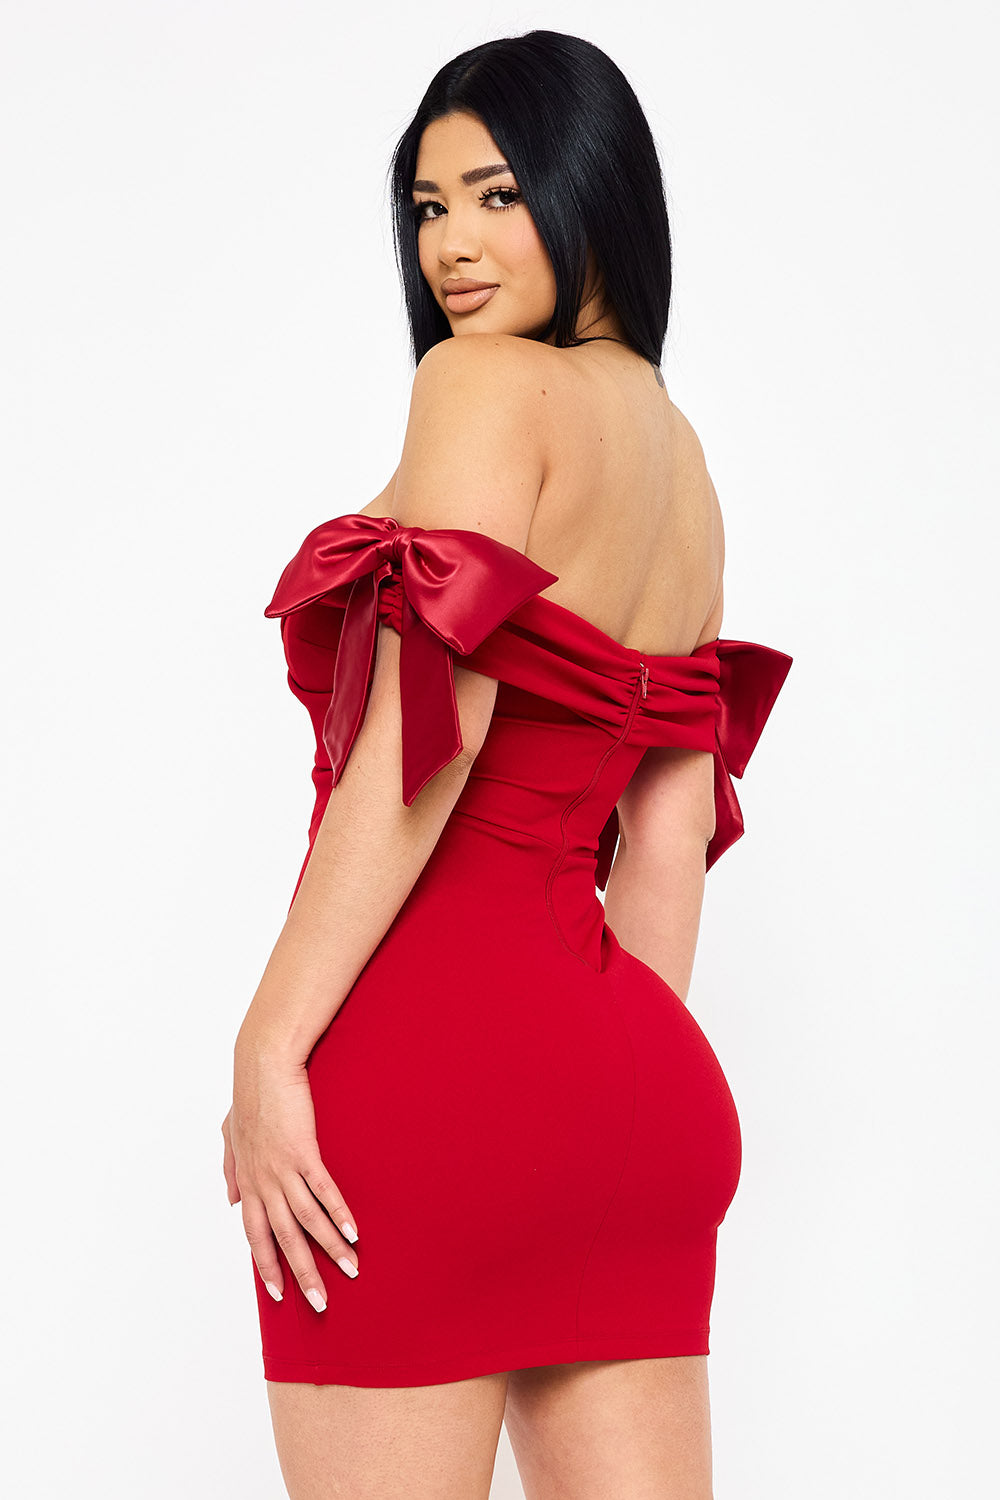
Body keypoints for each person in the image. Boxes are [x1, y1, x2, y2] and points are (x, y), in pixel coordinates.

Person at [221, 29, 792, 1500]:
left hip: (427, 1084)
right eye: (428, 208)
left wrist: (269, 1047)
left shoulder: (480, 385)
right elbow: (668, 836)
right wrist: (594, 1097)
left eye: (496, 194)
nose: (452, 247)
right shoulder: (684, 460)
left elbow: (431, 730)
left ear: (591, 187)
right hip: (633, 1098)